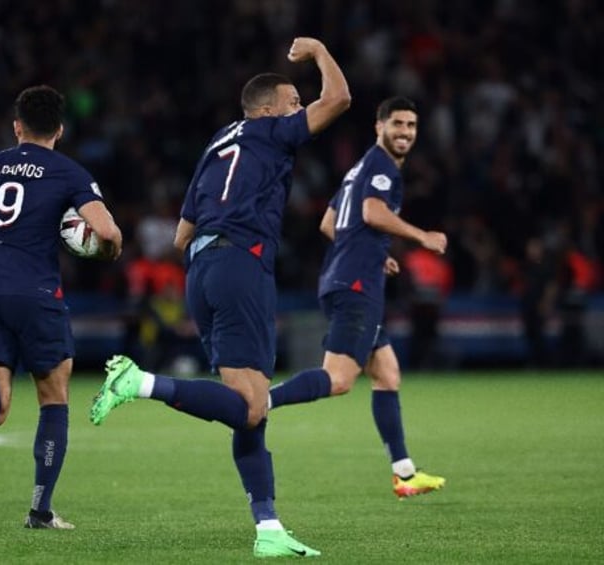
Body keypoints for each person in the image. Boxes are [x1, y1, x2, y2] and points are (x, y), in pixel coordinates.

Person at [90, 37, 350, 558]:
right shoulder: (272, 132)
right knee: (250, 407)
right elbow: (339, 99)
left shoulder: (216, 143)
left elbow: (182, 234)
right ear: (271, 109)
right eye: (293, 102)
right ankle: (140, 382)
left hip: (202, 270)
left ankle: (269, 528)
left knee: (252, 407)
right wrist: (320, 51)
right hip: (240, 264)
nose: (299, 109)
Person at [0, 85, 123, 530]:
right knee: (53, 398)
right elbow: (107, 231)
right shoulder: (67, 171)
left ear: (16, 126)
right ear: (59, 129)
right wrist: (103, 250)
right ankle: (40, 511)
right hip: (36, 293)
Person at [267, 96, 448, 498]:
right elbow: (370, 213)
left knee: (386, 374)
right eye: (397, 124)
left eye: (411, 126)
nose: (404, 132)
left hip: (347, 277)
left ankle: (404, 474)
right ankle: (259, 403)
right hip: (356, 287)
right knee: (339, 380)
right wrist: (422, 237)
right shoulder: (382, 167)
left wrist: (371, 252)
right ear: (378, 126)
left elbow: (330, 222)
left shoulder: (358, 168)